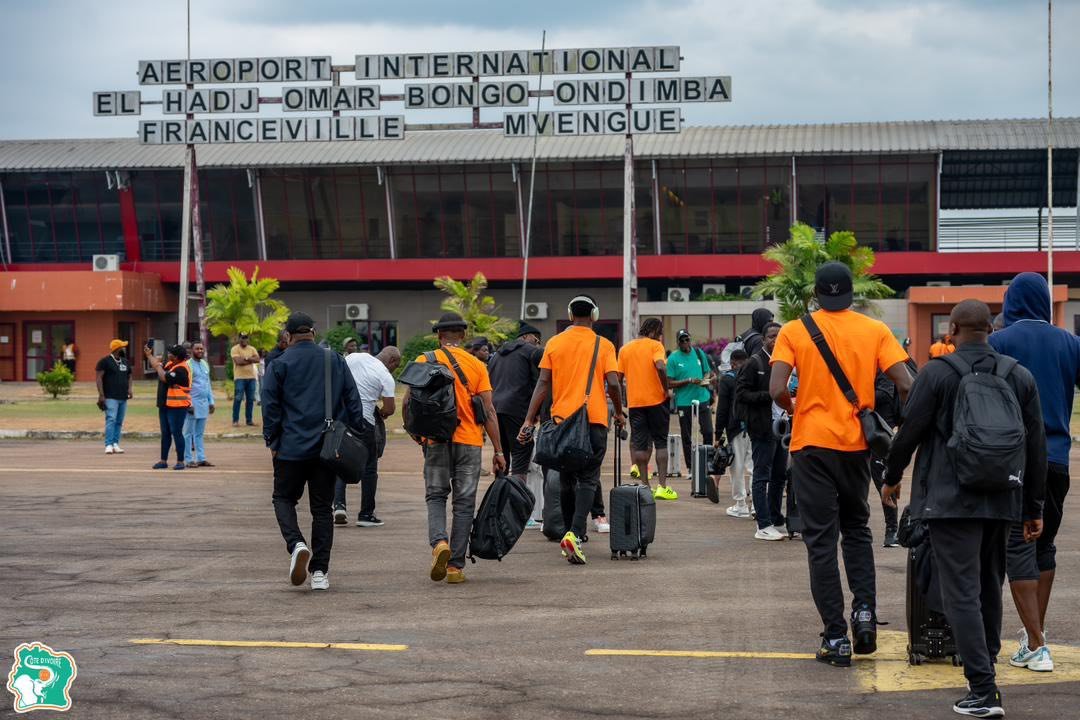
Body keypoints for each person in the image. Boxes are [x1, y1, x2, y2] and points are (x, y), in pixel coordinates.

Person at [883, 299, 1046, 718]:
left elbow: (910, 430)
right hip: (1004, 499)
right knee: (989, 586)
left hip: (951, 500)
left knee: (960, 593)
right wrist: (1033, 506)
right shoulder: (1019, 375)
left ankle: (984, 690)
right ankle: (985, 670)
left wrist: (892, 475)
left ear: (952, 329)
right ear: (990, 329)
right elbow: (1035, 447)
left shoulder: (937, 373)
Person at [769, 262, 912, 666]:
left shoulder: (794, 331)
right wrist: (902, 426)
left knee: (820, 542)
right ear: (851, 294)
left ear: (815, 294)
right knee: (857, 530)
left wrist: (796, 407)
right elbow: (906, 384)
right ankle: (864, 614)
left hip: (811, 446)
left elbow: (777, 388)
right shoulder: (875, 330)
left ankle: (835, 637)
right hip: (855, 446)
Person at [989, 272, 1079, 672]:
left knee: (1016, 545)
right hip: (1057, 457)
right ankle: (1033, 637)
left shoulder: (999, 342)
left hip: (1012, 458)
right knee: (1045, 544)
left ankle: (1038, 643)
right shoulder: (1070, 342)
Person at [262, 312, 366, 592]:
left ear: (288, 335)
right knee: (322, 509)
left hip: (289, 448)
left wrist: (271, 440)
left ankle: (296, 544)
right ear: (313, 332)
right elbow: (352, 400)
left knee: (283, 498)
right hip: (326, 448)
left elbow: (270, 406)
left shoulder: (279, 363)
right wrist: (355, 432)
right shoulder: (334, 359)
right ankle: (320, 572)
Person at [520, 295, 623, 565]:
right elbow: (613, 382)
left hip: (561, 421)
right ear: (595, 315)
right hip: (594, 421)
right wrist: (620, 412)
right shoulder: (604, 345)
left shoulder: (554, 343)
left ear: (569, 313)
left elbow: (542, 384)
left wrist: (529, 419)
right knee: (589, 479)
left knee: (566, 479)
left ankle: (569, 532)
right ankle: (575, 534)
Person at [406, 313, 505, 585]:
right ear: (462, 336)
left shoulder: (424, 360)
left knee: (436, 497)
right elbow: (489, 412)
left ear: (439, 336)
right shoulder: (476, 365)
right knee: (463, 504)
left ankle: (439, 542)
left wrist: (419, 437)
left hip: (436, 442)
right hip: (470, 443)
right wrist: (498, 451)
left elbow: (408, 404)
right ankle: (455, 567)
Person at [335, 346, 401, 528]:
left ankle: (338, 506)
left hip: (341, 418)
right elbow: (390, 409)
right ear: (392, 361)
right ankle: (366, 514)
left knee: (340, 461)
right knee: (369, 468)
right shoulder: (385, 375)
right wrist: (381, 411)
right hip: (364, 422)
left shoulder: (354, 357)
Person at [489, 323, 545, 528]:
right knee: (521, 458)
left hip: (495, 410)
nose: (538, 345)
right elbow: (540, 383)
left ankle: (498, 508)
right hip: (518, 410)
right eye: (537, 340)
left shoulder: (497, 355)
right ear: (528, 337)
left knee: (502, 457)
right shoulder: (531, 352)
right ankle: (519, 513)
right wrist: (536, 414)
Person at [736, 322, 788, 540]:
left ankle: (776, 518)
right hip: (762, 427)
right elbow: (742, 394)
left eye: (779, 335)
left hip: (782, 426)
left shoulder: (784, 362)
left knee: (779, 476)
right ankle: (763, 525)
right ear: (763, 339)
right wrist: (770, 395)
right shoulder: (754, 362)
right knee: (761, 475)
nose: (775, 340)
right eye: (772, 336)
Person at [618, 318, 671, 500]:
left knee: (640, 444)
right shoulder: (656, 346)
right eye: (660, 331)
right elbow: (661, 367)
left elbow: (617, 379)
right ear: (654, 330)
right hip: (657, 401)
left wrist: (622, 400)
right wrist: (666, 389)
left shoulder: (625, 349)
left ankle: (645, 487)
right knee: (661, 442)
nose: (661, 335)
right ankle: (662, 487)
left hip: (636, 404)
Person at [666, 329, 715, 499]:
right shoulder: (673, 358)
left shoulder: (700, 354)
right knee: (687, 436)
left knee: (708, 431)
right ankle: (691, 468)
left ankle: (708, 465)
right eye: (682, 341)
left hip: (702, 398)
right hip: (684, 402)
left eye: (687, 339)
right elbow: (669, 383)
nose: (686, 343)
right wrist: (687, 381)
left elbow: (708, 372)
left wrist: (705, 380)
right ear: (678, 343)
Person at [715, 347, 752, 518]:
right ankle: (757, 505)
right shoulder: (754, 376)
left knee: (736, 467)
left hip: (735, 428)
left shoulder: (728, 380)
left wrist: (717, 434)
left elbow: (722, 409)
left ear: (732, 363)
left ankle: (741, 504)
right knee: (754, 467)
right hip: (755, 427)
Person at [145, 343, 191, 471]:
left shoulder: (181, 369)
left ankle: (180, 461)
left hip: (177, 405)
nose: (168, 354)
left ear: (176, 357)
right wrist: (149, 355)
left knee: (177, 433)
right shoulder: (171, 364)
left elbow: (164, 377)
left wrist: (159, 365)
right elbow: (157, 366)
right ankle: (163, 460)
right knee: (165, 433)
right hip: (165, 404)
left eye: (170, 353)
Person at [96, 339, 133, 455]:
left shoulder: (125, 361)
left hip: (123, 396)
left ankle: (115, 443)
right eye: (122, 346)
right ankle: (108, 445)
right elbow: (99, 378)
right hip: (110, 396)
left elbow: (130, 375)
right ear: (117, 349)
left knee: (119, 421)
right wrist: (101, 395)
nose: (124, 348)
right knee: (111, 419)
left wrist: (130, 389)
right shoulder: (105, 361)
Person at [183, 341, 216, 468]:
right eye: (197, 349)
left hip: (203, 404)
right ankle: (188, 459)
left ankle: (201, 458)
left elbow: (207, 385)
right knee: (188, 433)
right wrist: (188, 403)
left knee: (199, 433)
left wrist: (211, 402)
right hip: (192, 404)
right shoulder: (187, 365)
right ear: (191, 350)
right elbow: (185, 387)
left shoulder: (205, 364)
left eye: (202, 349)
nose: (200, 351)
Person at [231, 333, 259, 426]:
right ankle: (235, 420)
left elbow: (257, 359)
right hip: (239, 377)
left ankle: (249, 420)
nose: (244, 340)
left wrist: (246, 358)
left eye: (246, 338)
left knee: (250, 399)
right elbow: (238, 362)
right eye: (242, 338)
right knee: (238, 398)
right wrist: (251, 359)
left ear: (248, 339)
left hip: (251, 377)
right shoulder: (235, 349)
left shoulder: (252, 348)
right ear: (239, 338)